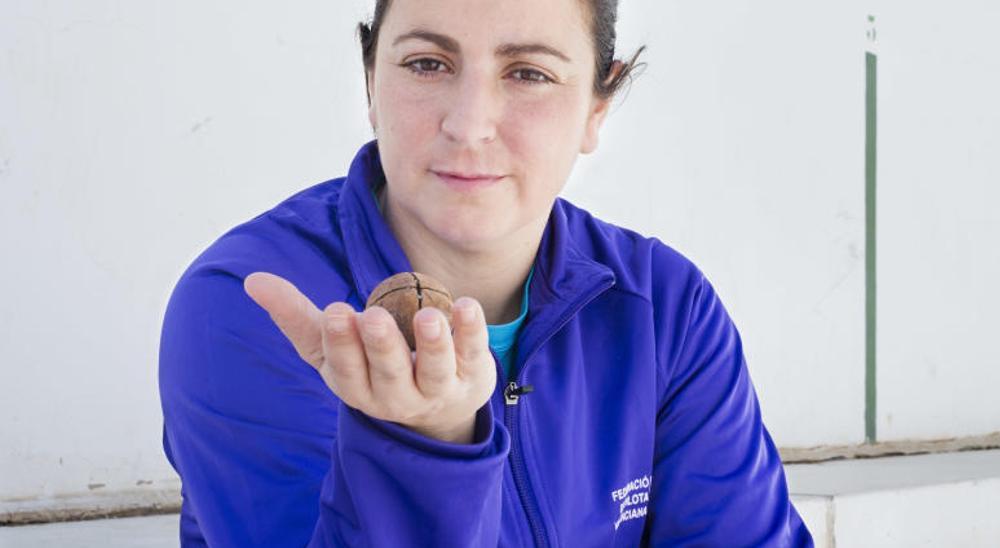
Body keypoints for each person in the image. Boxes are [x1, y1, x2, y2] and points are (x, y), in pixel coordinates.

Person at [158, 0, 814, 545]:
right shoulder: (253, 312)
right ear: (370, 83)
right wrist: (426, 449)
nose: (469, 125)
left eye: (528, 73)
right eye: (426, 63)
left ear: (596, 108)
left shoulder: (665, 311)